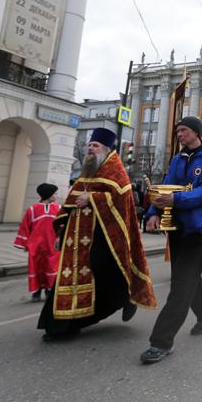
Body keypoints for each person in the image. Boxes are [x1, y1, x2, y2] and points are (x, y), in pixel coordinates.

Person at [39, 128, 156, 341]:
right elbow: (71, 202)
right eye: (90, 145)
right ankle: (62, 326)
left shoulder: (116, 171)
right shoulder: (87, 170)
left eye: (95, 146)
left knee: (103, 274)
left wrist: (92, 198)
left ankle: (122, 296)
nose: (91, 149)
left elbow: (121, 200)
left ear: (107, 149)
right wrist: (61, 232)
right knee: (69, 278)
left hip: (103, 237)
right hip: (75, 238)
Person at [141, 117, 202, 364]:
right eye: (177, 131)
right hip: (177, 226)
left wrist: (176, 200)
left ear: (196, 132)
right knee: (186, 276)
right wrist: (153, 213)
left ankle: (161, 342)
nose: (179, 134)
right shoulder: (177, 159)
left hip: (200, 227)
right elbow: (165, 188)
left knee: (181, 285)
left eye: (184, 130)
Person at [14, 183, 61, 302]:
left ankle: (49, 290)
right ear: (48, 194)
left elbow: (62, 225)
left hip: (52, 244)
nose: (56, 196)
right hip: (36, 245)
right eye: (55, 193)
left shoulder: (58, 208)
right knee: (36, 267)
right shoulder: (32, 209)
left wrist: (60, 237)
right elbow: (25, 227)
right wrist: (24, 243)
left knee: (52, 266)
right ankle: (37, 291)